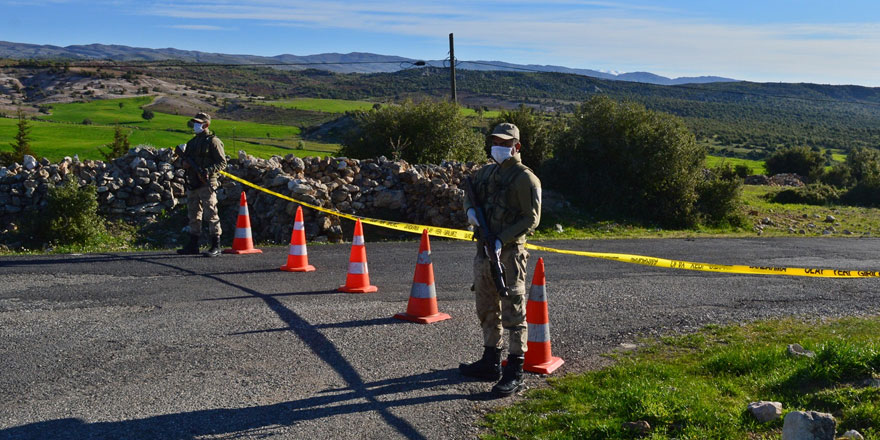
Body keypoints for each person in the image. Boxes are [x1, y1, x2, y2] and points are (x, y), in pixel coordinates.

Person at [460, 122, 542, 397]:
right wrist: (470, 211)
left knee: (513, 311)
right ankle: (490, 361)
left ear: (516, 147)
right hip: (483, 250)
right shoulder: (486, 173)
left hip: (509, 253)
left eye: (506, 143)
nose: (499, 147)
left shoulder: (525, 179)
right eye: (496, 142)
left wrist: (501, 239)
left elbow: (531, 218)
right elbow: (469, 196)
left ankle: (515, 370)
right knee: (485, 306)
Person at [176, 112, 227, 257]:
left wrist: (207, 171)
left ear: (206, 124)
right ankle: (193, 244)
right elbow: (185, 160)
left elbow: (222, 162)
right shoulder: (192, 142)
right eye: (195, 122)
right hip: (193, 182)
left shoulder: (213, 141)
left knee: (211, 213)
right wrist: (184, 163)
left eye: (199, 123)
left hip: (206, 182)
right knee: (193, 214)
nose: (196, 125)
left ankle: (215, 245)